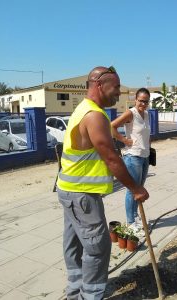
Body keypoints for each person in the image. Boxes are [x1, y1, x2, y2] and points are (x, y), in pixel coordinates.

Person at [57, 66, 149, 300]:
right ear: (100, 85)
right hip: (82, 195)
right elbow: (111, 158)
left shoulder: (84, 109)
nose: (119, 92)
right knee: (98, 247)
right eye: (116, 87)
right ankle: (90, 295)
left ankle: (75, 292)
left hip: (72, 191)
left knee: (75, 244)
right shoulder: (94, 116)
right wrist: (135, 188)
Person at [111, 88, 151, 233]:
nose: (143, 104)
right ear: (135, 100)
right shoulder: (131, 113)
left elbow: (146, 135)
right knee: (132, 190)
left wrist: (149, 151)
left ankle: (135, 216)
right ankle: (130, 222)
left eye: (146, 101)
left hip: (144, 156)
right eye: (141, 100)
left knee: (139, 188)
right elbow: (112, 126)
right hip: (133, 156)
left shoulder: (146, 114)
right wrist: (124, 140)